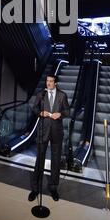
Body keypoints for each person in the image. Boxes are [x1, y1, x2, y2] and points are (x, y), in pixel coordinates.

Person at [28, 74, 70, 202]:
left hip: (57, 131)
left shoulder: (62, 95)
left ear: (55, 83)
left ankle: (53, 187)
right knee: (39, 159)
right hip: (43, 131)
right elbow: (34, 108)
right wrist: (40, 113)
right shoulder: (41, 94)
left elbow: (67, 111)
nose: (48, 83)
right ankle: (35, 189)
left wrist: (60, 114)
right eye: (47, 81)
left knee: (56, 160)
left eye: (51, 81)